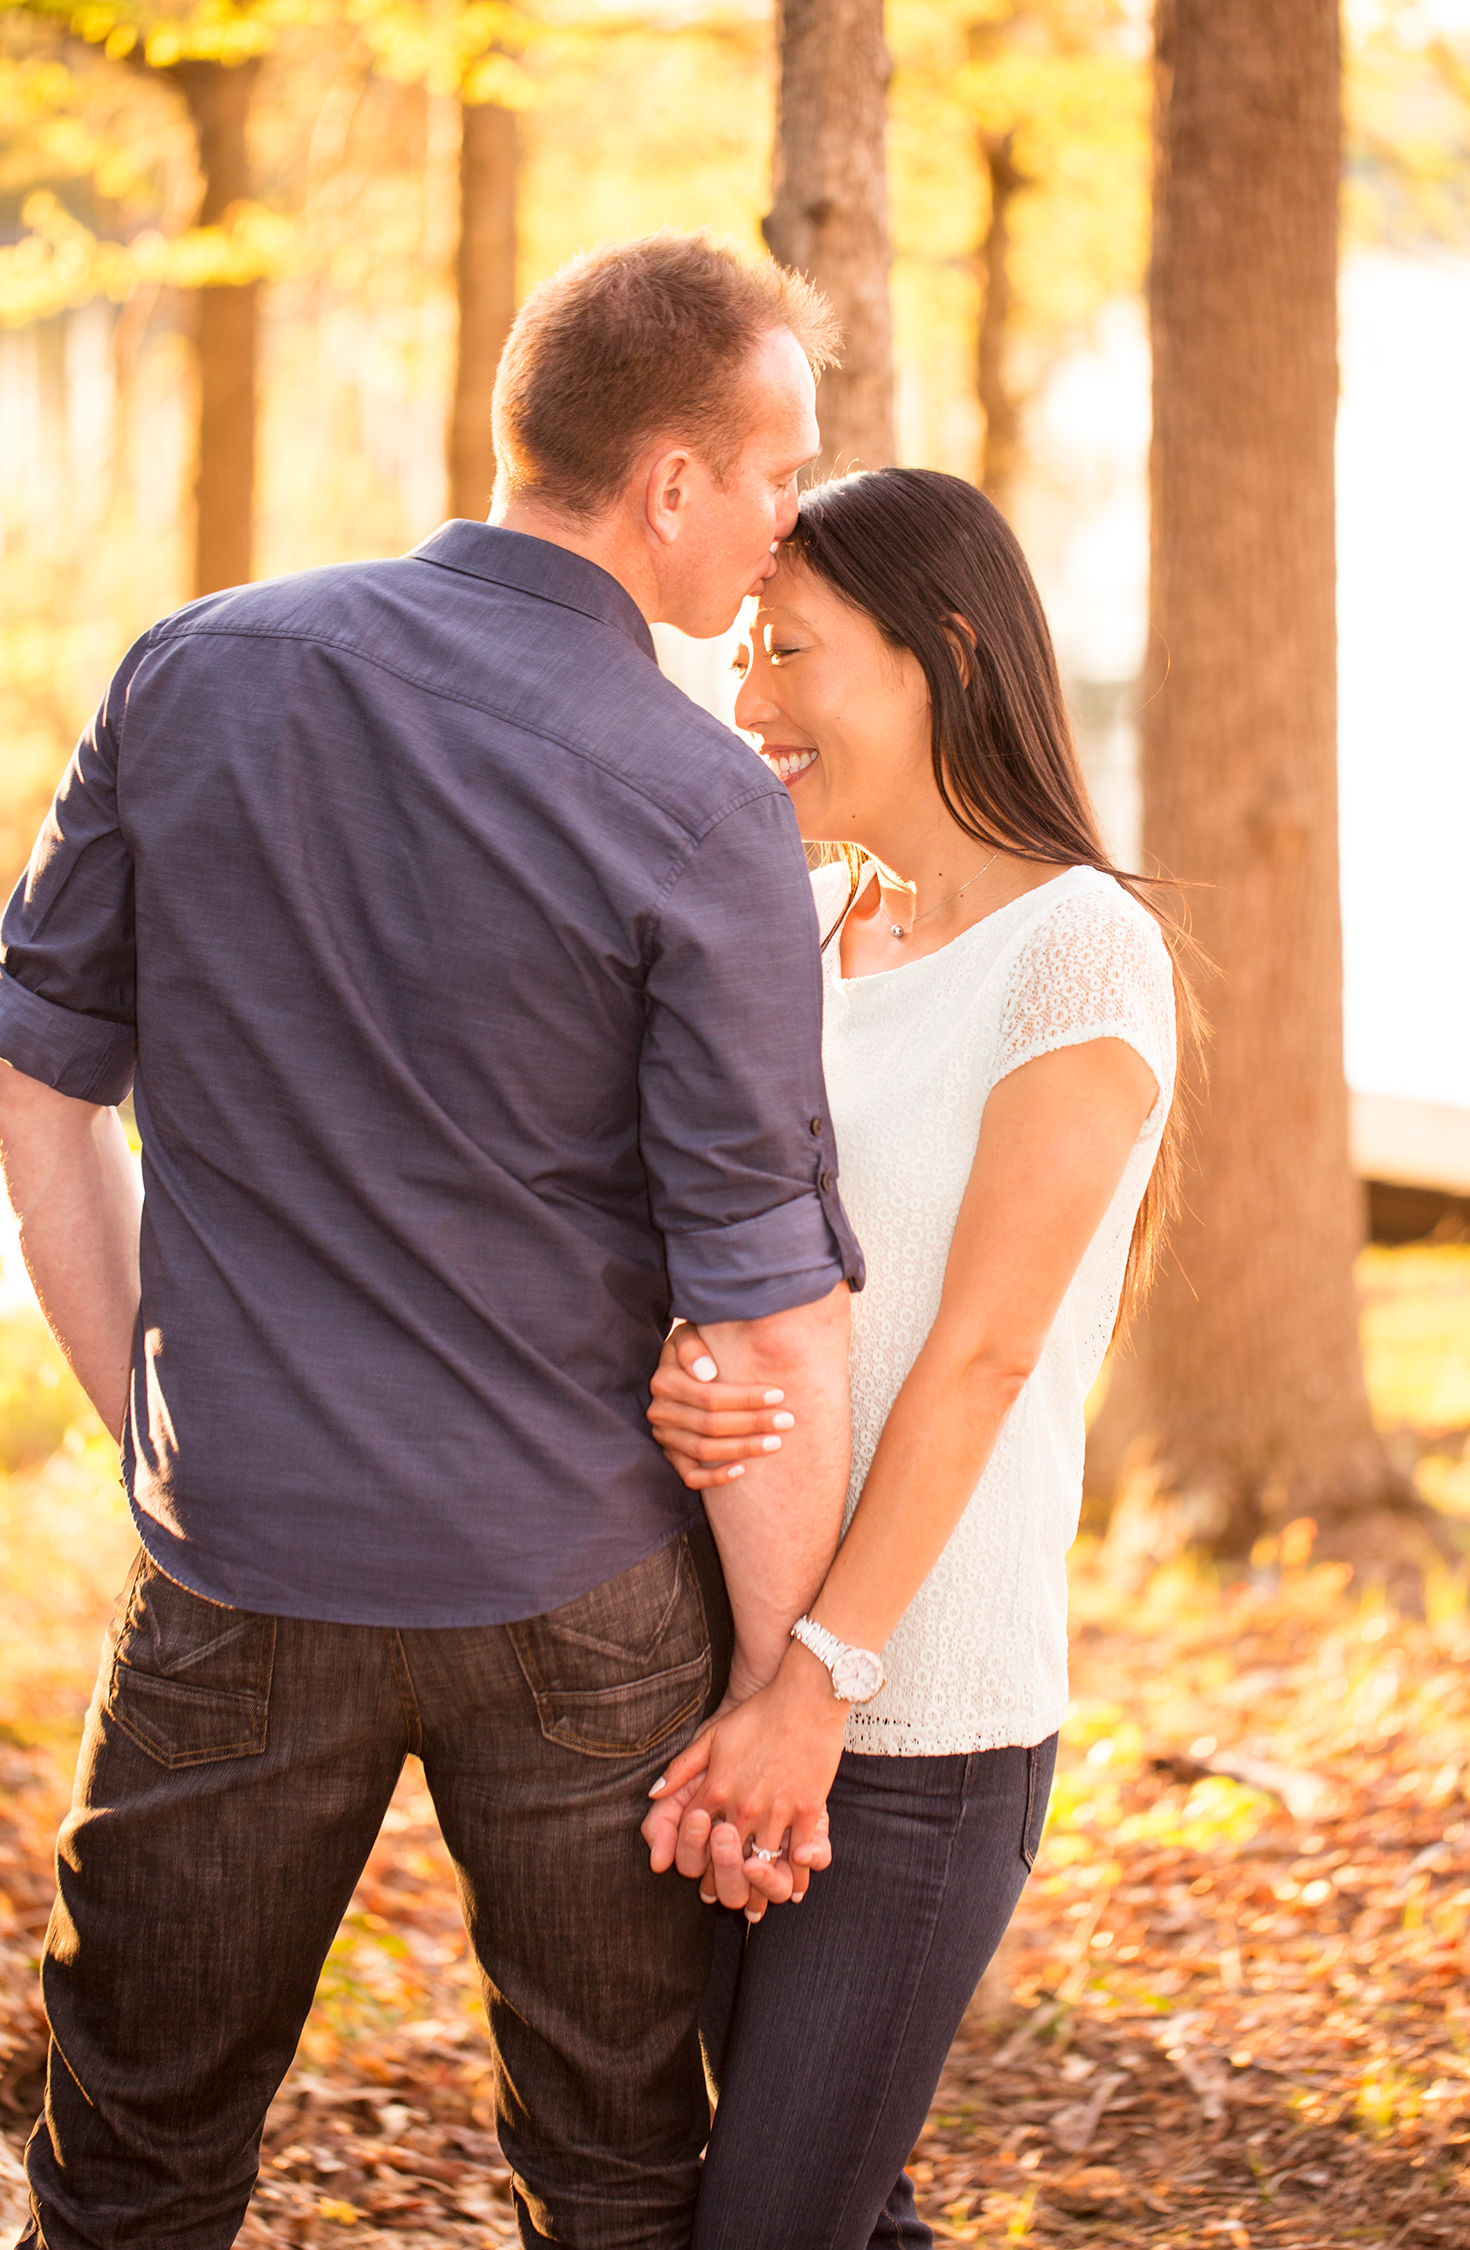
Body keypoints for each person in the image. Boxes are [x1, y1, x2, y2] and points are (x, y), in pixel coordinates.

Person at [0, 233, 866, 2250]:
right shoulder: (700, 798)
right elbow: (766, 1308)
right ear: (666, 490)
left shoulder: (191, 668)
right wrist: (774, 1682)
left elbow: (31, 1103)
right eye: (776, 472)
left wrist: (164, 1438)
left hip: (242, 1567)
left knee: (129, 2161)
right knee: (621, 2166)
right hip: (582, 1586)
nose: (789, 520)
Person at [641, 466, 1201, 2248]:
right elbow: (760, 1265)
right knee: (833, 2204)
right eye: (743, 655)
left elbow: (975, 1354)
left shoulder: (1083, 952)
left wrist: (817, 1688)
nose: (748, 706)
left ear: (943, 654)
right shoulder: (812, 930)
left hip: (919, 1709)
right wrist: (688, 1370)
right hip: (746, 1655)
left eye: (789, 653)